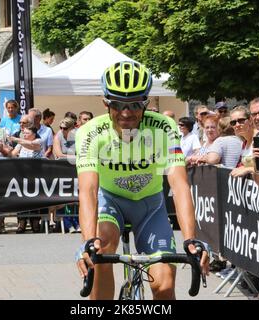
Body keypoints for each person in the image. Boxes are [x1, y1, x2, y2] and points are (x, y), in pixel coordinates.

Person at [75, 61, 209, 300]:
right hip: (111, 203)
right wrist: (87, 242)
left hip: (150, 206)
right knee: (100, 248)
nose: (126, 112)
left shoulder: (163, 127)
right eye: (118, 104)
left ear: (146, 103)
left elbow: (179, 185)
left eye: (135, 104)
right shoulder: (91, 132)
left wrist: (190, 239)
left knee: (164, 286)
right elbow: (88, 190)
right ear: (105, 103)